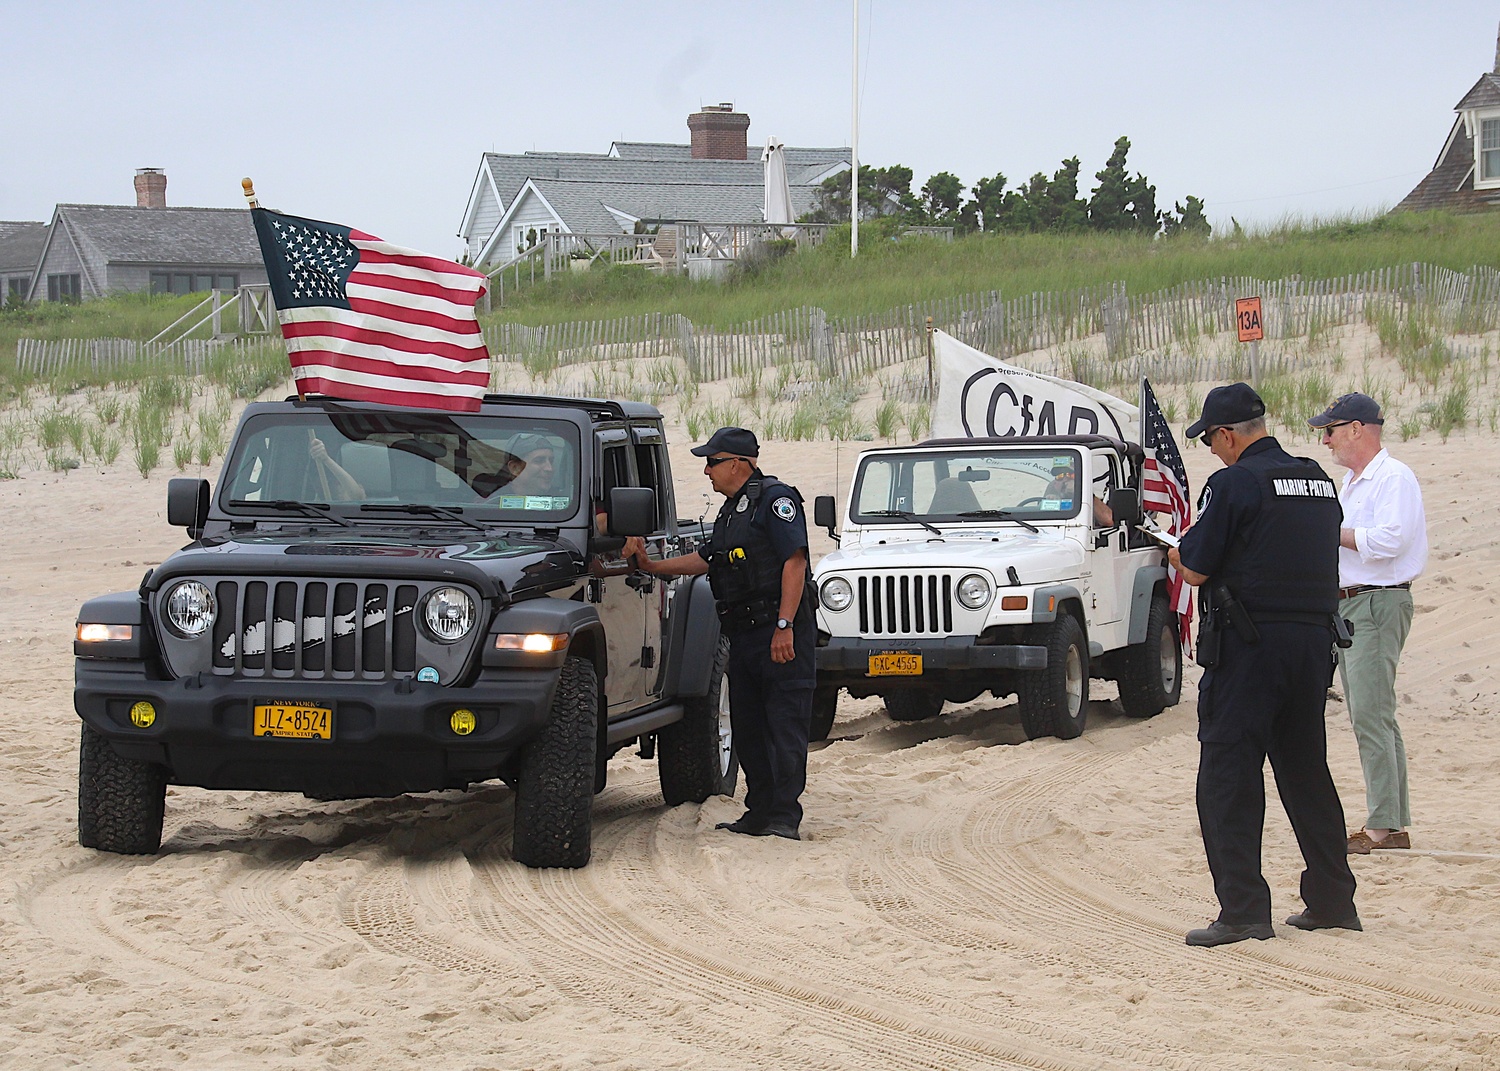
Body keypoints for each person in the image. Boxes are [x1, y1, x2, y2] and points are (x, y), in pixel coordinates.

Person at [1166, 382, 1359, 947]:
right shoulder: (1317, 481)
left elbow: (1198, 568)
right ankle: (1331, 900)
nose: (1212, 451)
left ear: (1228, 434)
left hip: (1249, 647)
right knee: (1305, 773)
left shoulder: (1233, 483)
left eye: (1211, 440)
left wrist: (1175, 551)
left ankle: (1245, 911)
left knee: (1228, 776)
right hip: (1311, 647)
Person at [623, 427, 815, 840]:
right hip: (742, 635)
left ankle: (784, 816)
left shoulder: (775, 501)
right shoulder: (731, 511)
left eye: (711, 462)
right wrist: (652, 567)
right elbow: (707, 559)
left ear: (737, 464)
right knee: (748, 728)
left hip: (776, 632)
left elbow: (794, 562)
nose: (706, 471)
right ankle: (759, 811)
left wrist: (784, 626)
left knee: (784, 726)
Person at [1307, 393, 1427, 854]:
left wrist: (1329, 533)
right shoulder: (1352, 482)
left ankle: (1384, 826)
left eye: (1331, 430)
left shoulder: (1392, 477)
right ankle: (1390, 820)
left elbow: (1391, 541)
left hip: (1377, 602)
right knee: (1371, 714)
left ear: (1357, 429)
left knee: (1372, 716)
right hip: (1354, 604)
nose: (1326, 440)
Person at [1043, 460, 1114, 526]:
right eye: (1060, 476)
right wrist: (1051, 502)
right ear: (1055, 483)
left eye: (1070, 475)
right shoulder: (1051, 494)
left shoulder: (1089, 500)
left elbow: (1108, 520)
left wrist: (1084, 493)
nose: (1065, 480)